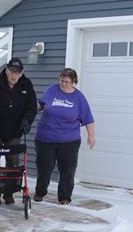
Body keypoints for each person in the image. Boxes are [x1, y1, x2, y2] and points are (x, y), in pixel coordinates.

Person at [34, 68, 95, 205]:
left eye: (67, 81)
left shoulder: (79, 97)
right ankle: (40, 192)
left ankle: (64, 197)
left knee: (67, 170)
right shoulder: (51, 90)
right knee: (44, 167)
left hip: (69, 140)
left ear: (73, 82)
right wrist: (32, 107)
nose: (63, 84)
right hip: (45, 138)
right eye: (62, 80)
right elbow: (41, 105)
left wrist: (91, 136)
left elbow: (88, 118)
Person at [0, 57, 37, 205]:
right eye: (11, 71)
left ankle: (9, 192)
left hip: (15, 130)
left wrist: (26, 122)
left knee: (12, 161)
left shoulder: (27, 85)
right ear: (6, 70)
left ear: (22, 73)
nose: (14, 75)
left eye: (17, 73)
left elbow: (31, 108)